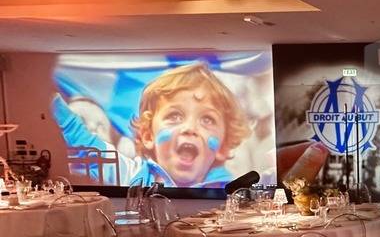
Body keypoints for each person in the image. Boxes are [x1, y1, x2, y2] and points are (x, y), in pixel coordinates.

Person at [53, 62, 251, 187]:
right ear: (148, 136)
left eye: (207, 119)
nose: (190, 128)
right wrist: (48, 99)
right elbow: (84, 144)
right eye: (175, 116)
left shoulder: (234, 191)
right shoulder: (133, 175)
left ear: (223, 147)